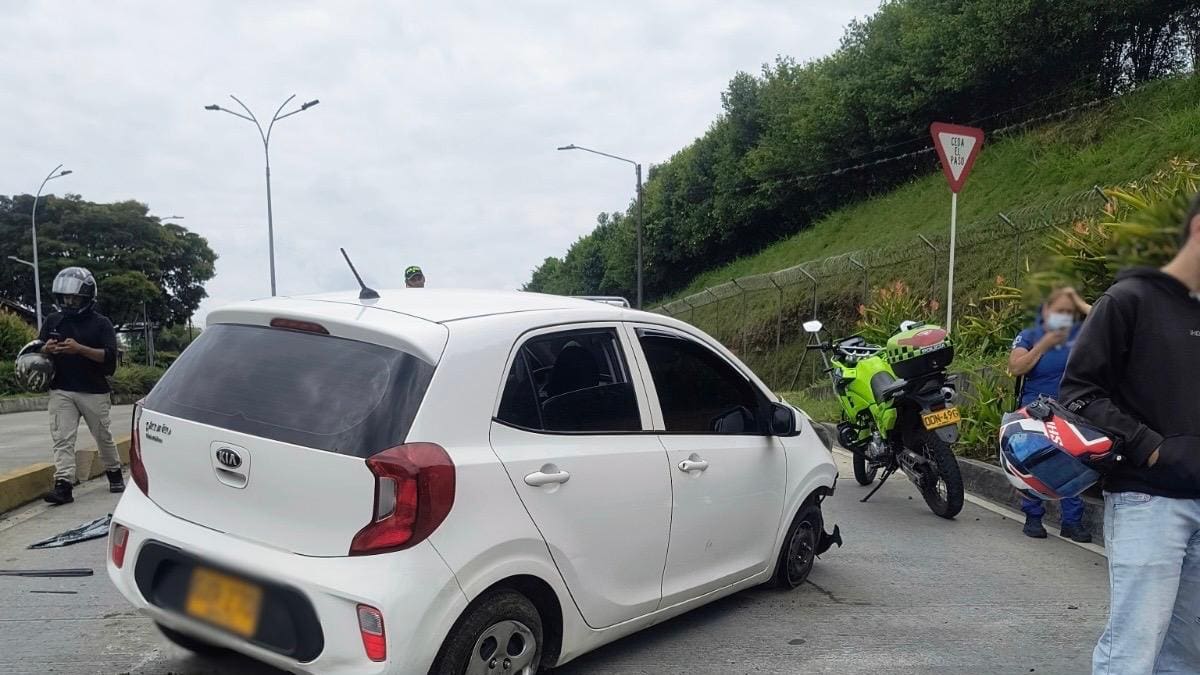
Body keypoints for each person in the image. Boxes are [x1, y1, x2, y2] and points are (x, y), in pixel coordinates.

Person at [1060, 192, 1200, 674]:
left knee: (1188, 658)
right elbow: (1078, 394)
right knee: (1132, 653)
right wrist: (1152, 449)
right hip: (1149, 501)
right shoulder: (1130, 300)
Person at [1007, 287, 1092, 542]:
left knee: (1074, 466)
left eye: (1069, 311)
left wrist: (1079, 301)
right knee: (1034, 463)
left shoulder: (1082, 335)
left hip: (1072, 411)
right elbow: (1015, 366)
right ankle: (1033, 517)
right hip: (1035, 411)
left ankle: (1072, 522)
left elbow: (1106, 315)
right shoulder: (1029, 335)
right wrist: (1042, 346)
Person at [38, 267, 123, 505]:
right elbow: (38, 347)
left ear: (87, 297)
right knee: (62, 438)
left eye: (74, 297)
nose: (69, 302)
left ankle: (114, 473)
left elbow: (108, 358)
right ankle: (63, 485)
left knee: (102, 436)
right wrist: (47, 349)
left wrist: (79, 349)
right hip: (61, 388)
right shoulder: (53, 320)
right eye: (65, 297)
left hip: (94, 390)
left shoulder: (101, 324)